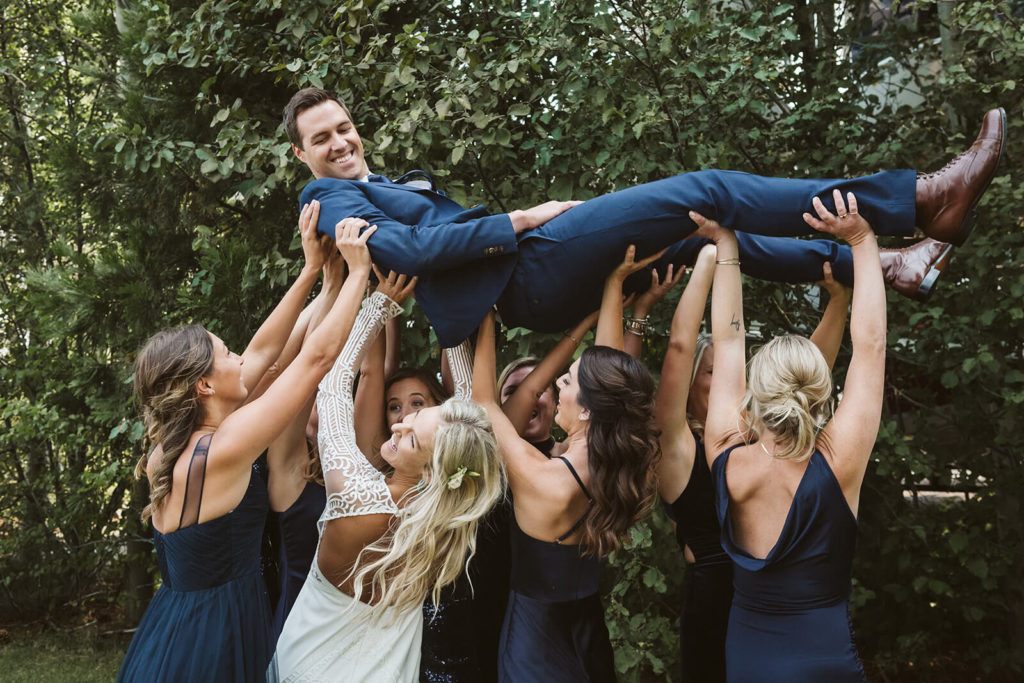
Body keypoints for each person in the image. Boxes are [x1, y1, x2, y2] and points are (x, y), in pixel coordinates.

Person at [284, 87, 1004, 346]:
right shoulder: (326, 199)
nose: (341, 142)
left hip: (527, 287)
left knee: (705, 238)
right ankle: (913, 201)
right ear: (300, 155)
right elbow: (409, 250)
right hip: (523, 273)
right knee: (709, 190)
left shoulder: (369, 181)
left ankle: (886, 265)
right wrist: (519, 219)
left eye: (345, 128)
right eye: (323, 138)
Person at [117, 204, 369, 681]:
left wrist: (315, 273)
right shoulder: (226, 445)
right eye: (226, 354)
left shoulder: (168, 451)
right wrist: (357, 274)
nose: (239, 356)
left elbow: (263, 353)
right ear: (204, 387)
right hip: (215, 635)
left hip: (171, 626)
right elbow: (313, 362)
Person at [270, 217, 505, 682]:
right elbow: (470, 413)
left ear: (436, 470)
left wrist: (378, 304)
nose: (397, 427)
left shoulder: (359, 497)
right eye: (409, 417)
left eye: (412, 436)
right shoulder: (449, 522)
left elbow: (334, 383)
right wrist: (447, 314)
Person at [701, 190, 883, 680]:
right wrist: (861, 240)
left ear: (754, 393)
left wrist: (727, 246)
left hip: (747, 653)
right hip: (821, 657)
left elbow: (728, 339)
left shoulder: (723, 448)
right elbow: (870, 347)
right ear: (821, 391)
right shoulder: (838, 460)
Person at [654, 244, 852, 681]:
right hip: (714, 600)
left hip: (774, 595)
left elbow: (808, 376)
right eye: (713, 371)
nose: (730, 375)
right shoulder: (679, 445)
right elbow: (680, 347)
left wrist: (839, 301)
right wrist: (709, 259)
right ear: (690, 383)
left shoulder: (753, 440)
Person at [472, 246, 664, 682]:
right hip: (585, 629)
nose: (557, 383)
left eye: (568, 381)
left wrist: (484, 315)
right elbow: (607, 365)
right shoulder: (620, 464)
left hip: (534, 642)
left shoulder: (548, 479)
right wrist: (613, 284)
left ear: (586, 411)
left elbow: (484, 402)